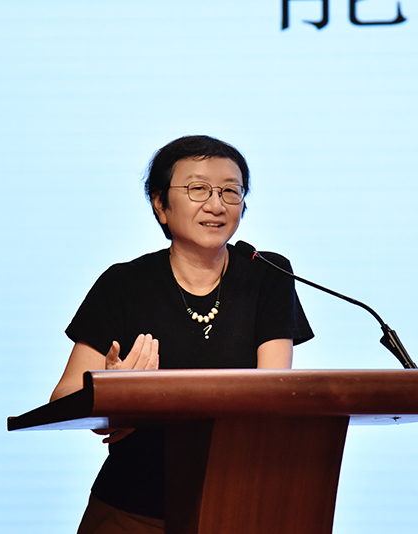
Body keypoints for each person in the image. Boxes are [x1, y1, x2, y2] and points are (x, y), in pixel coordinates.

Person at [50, 135, 314, 533]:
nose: (216, 204)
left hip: (239, 506)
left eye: (230, 191)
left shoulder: (267, 274)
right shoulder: (123, 284)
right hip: (132, 509)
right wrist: (110, 396)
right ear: (160, 204)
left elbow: (271, 394)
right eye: (198, 189)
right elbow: (64, 397)